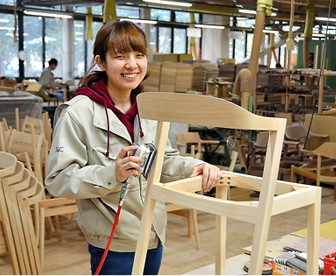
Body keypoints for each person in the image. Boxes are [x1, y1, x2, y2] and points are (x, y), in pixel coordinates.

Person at [45, 20, 221, 275]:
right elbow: (58, 179)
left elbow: (165, 160)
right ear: (101, 62)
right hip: (112, 241)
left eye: (139, 55)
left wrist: (197, 166)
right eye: (120, 56)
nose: (132, 64)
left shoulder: (149, 110)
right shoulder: (77, 113)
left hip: (153, 232)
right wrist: (111, 174)